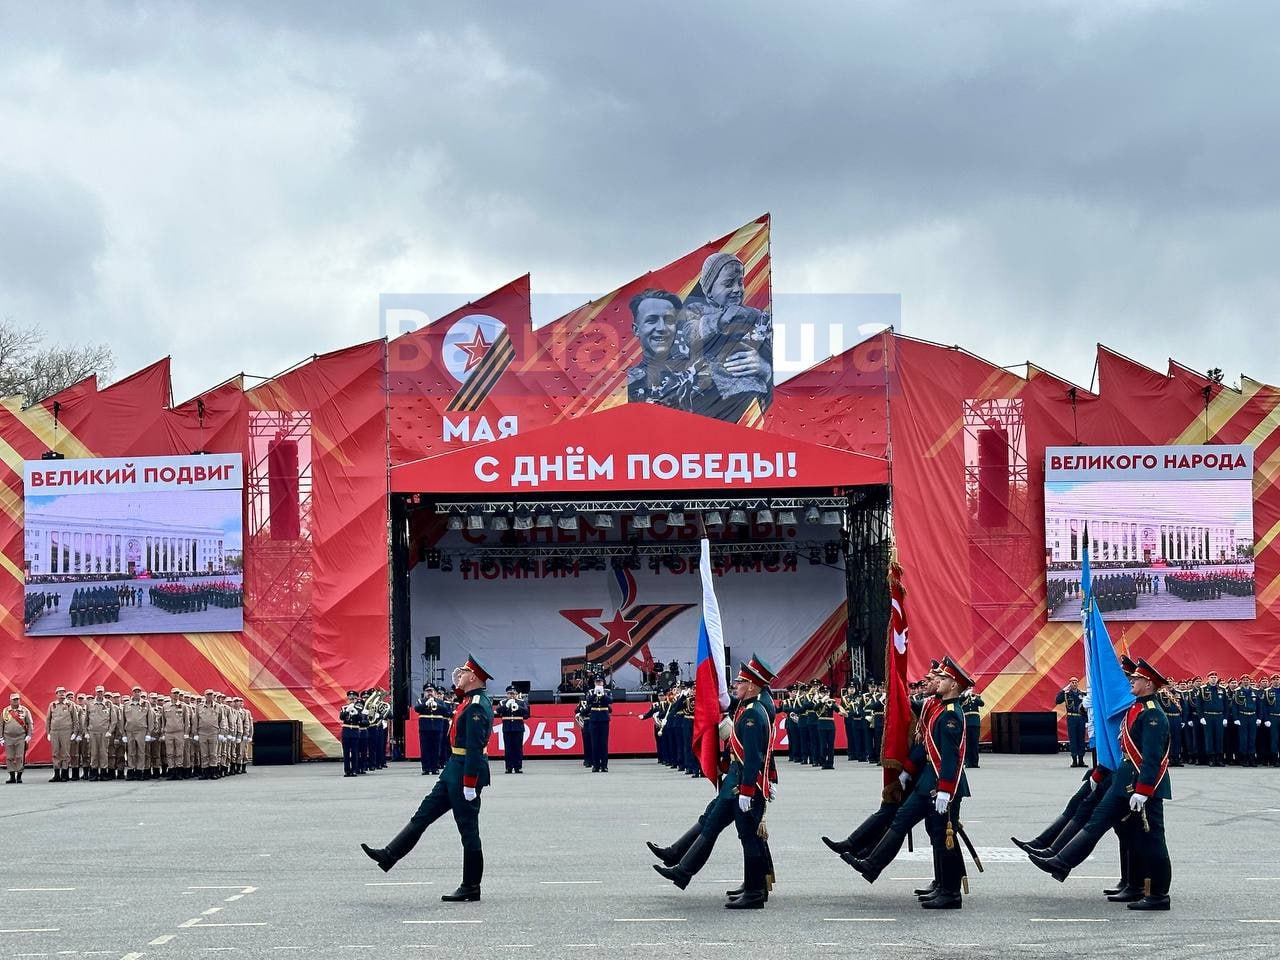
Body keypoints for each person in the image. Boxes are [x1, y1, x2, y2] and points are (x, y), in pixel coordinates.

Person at [1027, 657, 1174, 911]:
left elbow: (1152, 757)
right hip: (1126, 779)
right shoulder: (1137, 708)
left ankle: (1159, 894)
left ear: (1148, 684)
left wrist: (1144, 790)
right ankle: (1062, 861)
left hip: (1142, 784)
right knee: (1102, 820)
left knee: (1151, 839)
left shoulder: (1152, 715)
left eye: (1136, 679)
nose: (1131, 681)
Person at [843, 655, 974, 910]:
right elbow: (925, 745)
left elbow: (950, 756)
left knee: (942, 837)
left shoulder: (951, 715)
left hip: (940, 785)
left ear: (955, 685)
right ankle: (873, 865)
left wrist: (946, 791)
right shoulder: (938, 708)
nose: (939, 681)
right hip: (928, 781)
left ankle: (950, 892)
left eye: (945, 679)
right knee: (906, 819)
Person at [361, 655, 496, 903]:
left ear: (474, 677)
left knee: (468, 831)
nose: (460, 676)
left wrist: (469, 784)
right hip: (453, 768)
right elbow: (459, 701)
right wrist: (460, 686)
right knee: (423, 815)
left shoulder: (477, 704)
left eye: (464, 673)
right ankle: (389, 854)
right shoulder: (468, 700)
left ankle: (471, 886)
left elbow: (475, 748)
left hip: (466, 770)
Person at [651, 658, 776, 909]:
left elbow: (754, 755)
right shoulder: (748, 705)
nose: (736, 684)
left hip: (742, 784)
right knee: (714, 823)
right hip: (737, 779)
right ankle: (684, 868)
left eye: (741, 681)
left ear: (752, 686)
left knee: (747, 837)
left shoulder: (753, 712)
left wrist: (748, 790)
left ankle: (754, 891)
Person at [682, 252, 774, 422]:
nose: (737, 289)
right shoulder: (696, 311)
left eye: (740, 282)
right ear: (709, 291)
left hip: (750, 411)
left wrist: (765, 370)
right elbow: (690, 333)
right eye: (728, 283)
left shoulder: (755, 317)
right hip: (706, 413)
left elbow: (773, 366)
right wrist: (722, 319)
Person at [414, 684, 448, 775]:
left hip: (437, 728)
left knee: (436, 748)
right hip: (425, 728)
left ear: (435, 692)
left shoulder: (440, 702)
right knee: (425, 748)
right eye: (427, 691)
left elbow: (445, 710)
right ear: (424, 692)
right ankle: (425, 768)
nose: (430, 693)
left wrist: (436, 704)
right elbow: (416, 709)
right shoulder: (421, 701)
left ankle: (435, 767)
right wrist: (426, 704)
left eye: (431, 691)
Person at [3, 693, 34, 784]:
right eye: (14, 700)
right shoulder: (6, 711)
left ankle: (19, 776)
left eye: (17, 699)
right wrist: (1, 737)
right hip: (8, 737)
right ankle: (12, 776)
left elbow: (30, 723)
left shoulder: (24, 710)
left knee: (20, 757)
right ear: (10, 700)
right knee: (9, 757)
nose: (16, 701)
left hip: (21, 737)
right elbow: (2, 724)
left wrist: (29, 735)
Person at [1056, 678, 1087, 767]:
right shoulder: (1066, 694)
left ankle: (1081, 760)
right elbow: (1057, 701)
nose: (1074, 684)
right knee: (1073, 738)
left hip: (1081, 718)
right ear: (1069, 684)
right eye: (1072, 682)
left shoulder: (1082, 694)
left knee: (1081, 738)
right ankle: (1074, 759)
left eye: (1076, 682)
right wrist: (1064, 690)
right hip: (1071, 717)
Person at [585, 675, 613, 772]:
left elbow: (610, 701)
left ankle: (604, 765)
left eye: (600, 681)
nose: (598, 683)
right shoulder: (590, 692)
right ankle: (596, 765)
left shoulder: (608, 691)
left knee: (603, 743)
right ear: (594, 683)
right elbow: (588, 701)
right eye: (597, 682)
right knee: (595, 743)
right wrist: (595, 694)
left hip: (604, 718)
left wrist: (603, 695)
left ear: (603, 682)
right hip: (594, 719)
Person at [498, 686, 529, 774]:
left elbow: (527, 714)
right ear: (507, 694)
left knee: (518, 748)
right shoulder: (502, 702)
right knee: (508, 748)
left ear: (516, 694)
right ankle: (508, 767)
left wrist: (518, 707)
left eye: (513, 694)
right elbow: (498, 711)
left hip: (518, 727)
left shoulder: (521, 702)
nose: (512, 696)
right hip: (507, 728)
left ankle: (517, 767)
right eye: (510, 694)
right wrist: (506, 706)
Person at [47, 687, 75, 782]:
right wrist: (48, 732)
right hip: (54, 731)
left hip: (66, 731)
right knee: (55, 753)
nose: (62, 694)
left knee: (65, 753)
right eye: (59, 693)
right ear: (56, 694)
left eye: (63, 692)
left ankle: (65, 774)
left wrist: (74, 732)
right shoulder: (52, 705)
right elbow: (48, 720)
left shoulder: (70, 704)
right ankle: (56, 774)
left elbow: (75, 719)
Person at [339, 690, 365, 777]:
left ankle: (354, 770)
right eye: (350, 698)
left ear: (356, 699)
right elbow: (341, 717)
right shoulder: (344, 707)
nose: (351, 700)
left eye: (353, 698)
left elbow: (361, 720)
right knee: (346, 753)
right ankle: (347, 771)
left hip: (355, 731)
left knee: (355, 752)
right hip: (346, 731)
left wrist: (357, 713)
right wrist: (347, 711)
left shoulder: (360, 708)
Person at [962, 686, 984, 768]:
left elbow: (982, 704)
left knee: (974, 743)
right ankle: (968, 762)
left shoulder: (976, 696)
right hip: (966, 723)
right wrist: (965, 695)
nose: (969, 689)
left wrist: (975, 698)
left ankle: (975, 762)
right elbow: (959, 702)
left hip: (975, 723)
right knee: (967, 744)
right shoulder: (962, 697)